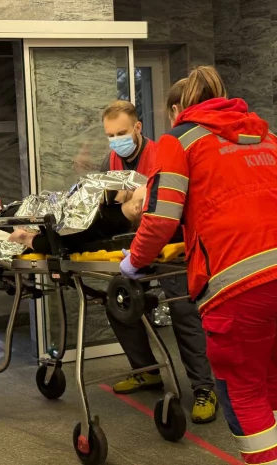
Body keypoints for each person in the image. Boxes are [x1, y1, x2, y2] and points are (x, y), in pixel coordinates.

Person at [120, 65, 277, 465]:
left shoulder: (180, 139)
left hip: (243, 281)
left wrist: (134, 261)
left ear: (177, 110)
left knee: (239, 385)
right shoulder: (266, 136)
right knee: (267, 367)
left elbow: (161, 218)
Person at [100, 98, 217, 424]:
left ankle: (204, 389)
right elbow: (111, 203)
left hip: (172, 241)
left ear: (137, 128)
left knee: (183, 309)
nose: (116, 141)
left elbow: (167, 209)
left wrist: (133, 200)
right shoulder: (112, 159)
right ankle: (147, 370)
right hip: (137, 242)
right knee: (118, 301)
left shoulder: (162, 155)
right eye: (110, 135)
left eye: (121, 133)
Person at [0, 186, 146, 254]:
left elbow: (62, 243)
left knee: (7, 221)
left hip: (39, 224)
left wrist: (25, 239)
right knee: (29, 206)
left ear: (138, 208)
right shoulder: (115, 210)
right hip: (53, 208)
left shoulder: (108, 222)